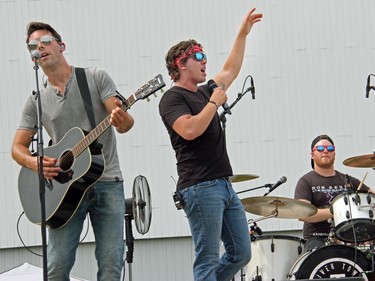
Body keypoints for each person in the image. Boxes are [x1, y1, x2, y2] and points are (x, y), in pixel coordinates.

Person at [11, 22, 134, 280]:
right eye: (33, 45)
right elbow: (17, 148)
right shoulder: (35, 100)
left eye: (45, 41)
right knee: (56, 268)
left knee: (111, 265)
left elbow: (122, 120)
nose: (39, 47)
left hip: (107, 180)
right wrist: (35, 163)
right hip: (63, 189)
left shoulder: (94, 77)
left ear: (61, 45)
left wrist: (124, 120)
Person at [159, 8, 262, 281]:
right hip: (199, 186)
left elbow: (231, 69)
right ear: (181, 64)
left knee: (241, 253)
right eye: (199, 57)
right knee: (206, 257)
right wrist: (214, 102)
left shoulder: (206, 91)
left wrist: (243, 33)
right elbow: (190, 129)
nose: (206, 62)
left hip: (223, 184)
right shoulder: (172, 99)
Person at [294, 134, 374, 252]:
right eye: (320, 149)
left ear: (334, 153)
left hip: (350, 236)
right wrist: (335, 211)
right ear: (312, 154)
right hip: (318, 237)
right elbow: (301, 215)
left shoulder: (348, 180)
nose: (325, 151)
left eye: (330, 149)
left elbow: (372, 197)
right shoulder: (306, 181)